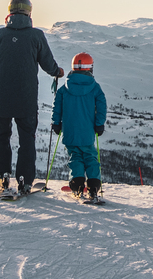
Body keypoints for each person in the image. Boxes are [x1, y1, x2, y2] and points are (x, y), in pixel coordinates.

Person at [0, 0, 61, 197]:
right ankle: (24, 180)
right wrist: (57, 72)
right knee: (27, 138)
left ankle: (3, 176)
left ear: (10, 13)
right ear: (29, 13)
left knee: (1, 137)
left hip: (2, 97)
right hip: (26, 97)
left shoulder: (0, 34)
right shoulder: (36, 36)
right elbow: (47, 63)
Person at [52, 51, 109, 202]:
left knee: (75, 157)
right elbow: (101, 106)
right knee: (90, 157)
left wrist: (56, 123)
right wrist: (99, 124)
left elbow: (57, 108)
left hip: (70, 131)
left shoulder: (64, 89)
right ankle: (93, 188)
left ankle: (77, 186)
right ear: (90, 68)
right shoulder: (95, 88)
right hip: (88, 131)